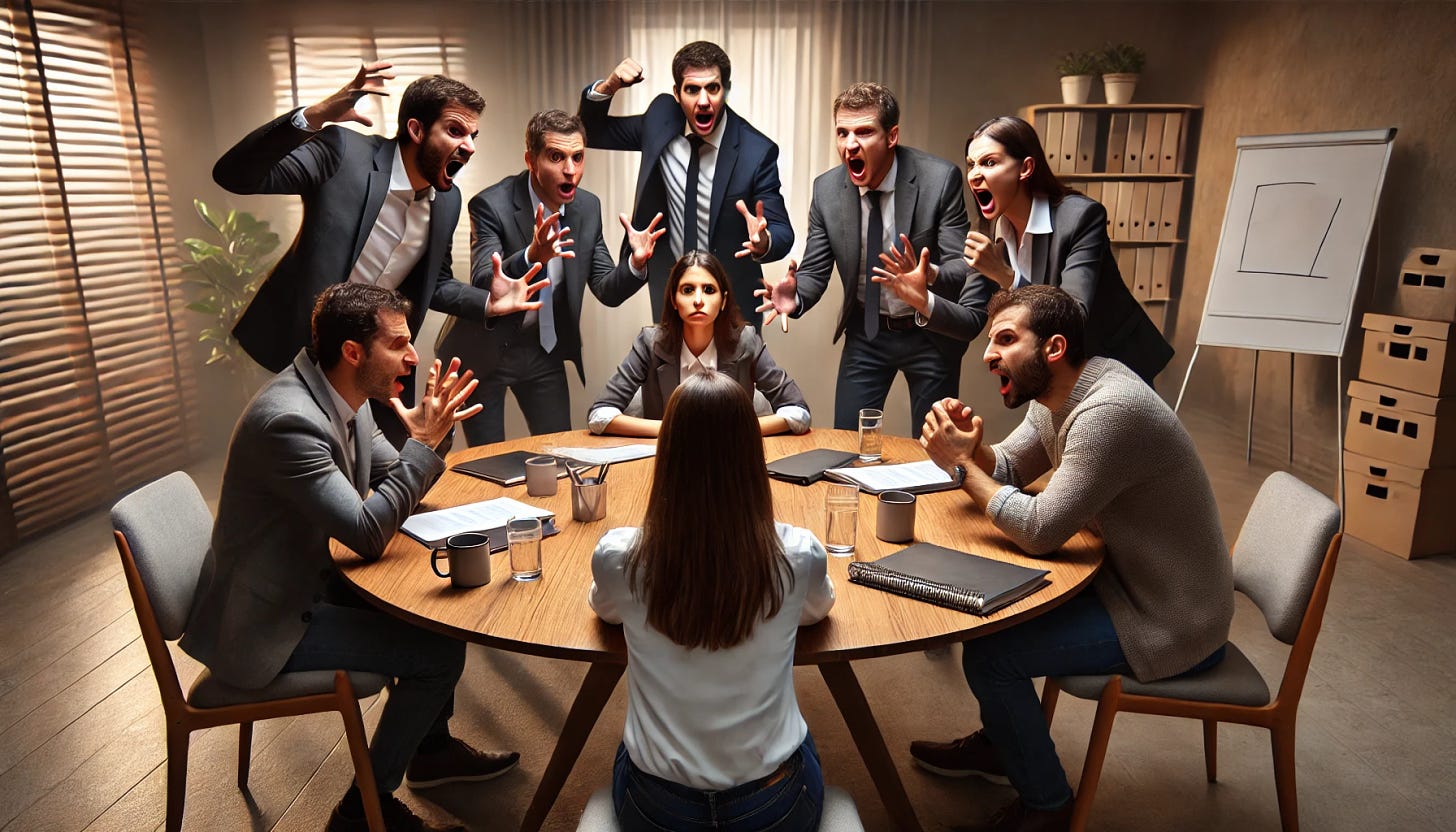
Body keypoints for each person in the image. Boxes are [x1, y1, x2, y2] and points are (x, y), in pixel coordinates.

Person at [181, 283, 519, 832]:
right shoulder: (289, 421)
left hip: (308, 582)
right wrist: (422, 446)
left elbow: (394, 477)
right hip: (265, 622)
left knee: (439, 620)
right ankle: (362, 812)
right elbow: (367, 531)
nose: (414, 356)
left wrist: (426, 441)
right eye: (399, 344)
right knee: (438, 655)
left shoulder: (344, 398)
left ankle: (429, 753)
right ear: (353, 352)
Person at [908, 286, 1232, 832]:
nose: (988, 356)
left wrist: (964, 468)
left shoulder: (1109, 411)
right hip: (1123, 583)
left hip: (1171, 618)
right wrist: (974, 449)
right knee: (990, 617)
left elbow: (1039, 530)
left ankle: (1048, 805)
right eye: (991, 342)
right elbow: (1008, 468)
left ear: (1054, 347)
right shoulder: (1057, 395)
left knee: (992, 657)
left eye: (1005, 340)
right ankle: (1003, 747)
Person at [587, 371, 836, 831]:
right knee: (805, 741)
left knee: (629, 742)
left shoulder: (619, 556)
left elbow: (605, 610)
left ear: (667, 455)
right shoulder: (798, 554)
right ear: (751, 454)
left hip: (656, 808)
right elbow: (817, 611)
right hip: (774, 805)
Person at [215, 62, 545, 389]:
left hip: (371, 366)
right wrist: (314, 116)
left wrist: (488, 303)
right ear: (416, 131)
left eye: (473, 136)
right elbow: (235, 175)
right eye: (455, 131)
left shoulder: (448, 200)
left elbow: (437, 282)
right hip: (288, 353)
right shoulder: (343, 153)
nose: (470, 147)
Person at [756, 82, 995, 433]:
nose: (850, 144)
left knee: (935, 449)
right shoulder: (827, 191)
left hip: (928, 331)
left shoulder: (938, 179)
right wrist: (797, 295)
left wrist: (928, 275)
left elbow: (964, 266)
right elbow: (814, 269)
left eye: (864, 131)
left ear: (892, 136)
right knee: (847, 443)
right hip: (867, 333)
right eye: (842, 132)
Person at [435, 109, 664, 445]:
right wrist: (532, 256)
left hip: (545, 351)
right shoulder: (490, 204)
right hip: (485, 353)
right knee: (487, 460)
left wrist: (637, 264)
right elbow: (486, 281)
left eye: (577, 157)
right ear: (532, 160)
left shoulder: (587, 208)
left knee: (557, 452)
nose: (570, 170)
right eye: (556, 157)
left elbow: (606, 289)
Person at [578, 40, 793, 326]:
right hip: (673, 299)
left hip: (732, 306)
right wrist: (610, 85)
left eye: (712, 88)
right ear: (677, 94)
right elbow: (590, 131)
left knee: (732, 373)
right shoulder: (660, 123)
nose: (703, 101)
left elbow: (782, 232)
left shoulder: (756, 152)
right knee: (671, 372)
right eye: (692, 89)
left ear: (725, 90)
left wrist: (763, 242)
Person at [960, 116, 1172, 383]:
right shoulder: (990, 228)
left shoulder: (1080, 217)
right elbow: (969, 312)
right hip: (1050, 368)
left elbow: (1074, 313)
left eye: (989, 162)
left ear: (1025, 168)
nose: (975, 174)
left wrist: (1005, 276)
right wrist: (925, 291)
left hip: (1111, 363)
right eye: (971, 164)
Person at [588, 251, 809, 437]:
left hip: (731, 461)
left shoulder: (746, 341)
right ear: (674, 300)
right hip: (667, 463)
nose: (698, 300)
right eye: (687, 290)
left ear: (723, 301)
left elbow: (798, 413)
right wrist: (673, 430)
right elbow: (599, 416)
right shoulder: (650, 343)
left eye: (709, 290)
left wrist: (733, 432)